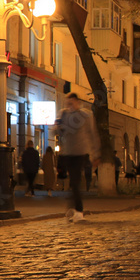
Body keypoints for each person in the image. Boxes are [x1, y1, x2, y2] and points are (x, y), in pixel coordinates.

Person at [55, 93, 99, 222]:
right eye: (67, 103)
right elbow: (57, 133)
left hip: (80, 153)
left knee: (75, 181)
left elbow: (93, 134)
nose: (69, 106)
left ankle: (79, 211)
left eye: (71, 103)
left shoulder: (86, 115)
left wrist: (95, 154)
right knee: (72, 183)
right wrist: (58, 126)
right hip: (66, 153)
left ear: (77, 102)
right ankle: (73, 209)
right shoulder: (63, 114)